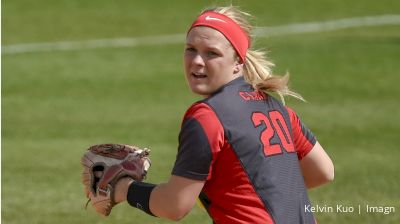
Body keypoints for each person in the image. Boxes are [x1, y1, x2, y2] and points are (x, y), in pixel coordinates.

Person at [111, 5, 334, 223]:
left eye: (212, 53)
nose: (197, 61)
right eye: (191, 49)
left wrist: (122, 188)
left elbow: (174, 206)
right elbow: (323, 172)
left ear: (238, 61)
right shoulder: (278, 110)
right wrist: (266, 193)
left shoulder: (207, 117)